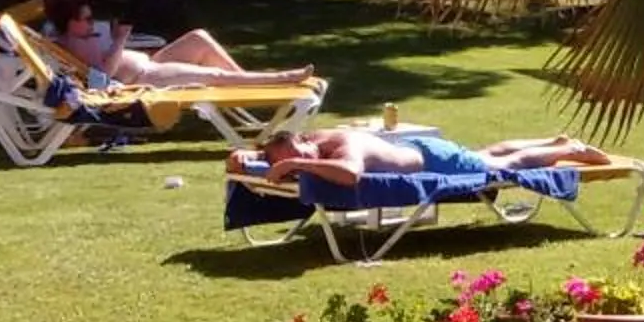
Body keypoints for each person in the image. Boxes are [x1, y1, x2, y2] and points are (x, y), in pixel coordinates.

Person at [43, 0, 315, 90]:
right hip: (147, 77)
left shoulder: (71, 37)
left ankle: (245, 84)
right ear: (70, 22)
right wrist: (120, 40)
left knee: (199, 37)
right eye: (86, 19)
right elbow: (103, 77)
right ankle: (283, 78)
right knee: (214, 74)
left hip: (150, 64)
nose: (92, 23)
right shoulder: (76, 44)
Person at [256, 128, 614, 186]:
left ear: (303, 139)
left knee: (503, 165)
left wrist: (298, 164)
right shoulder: (316, 139)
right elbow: (242, 157)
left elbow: (350, 174)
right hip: (421, 148)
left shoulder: (343, 148)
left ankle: (569, 150)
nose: (301, 158)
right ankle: (554, 139)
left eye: (298, 152)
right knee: (484, 153)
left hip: (432, 162)